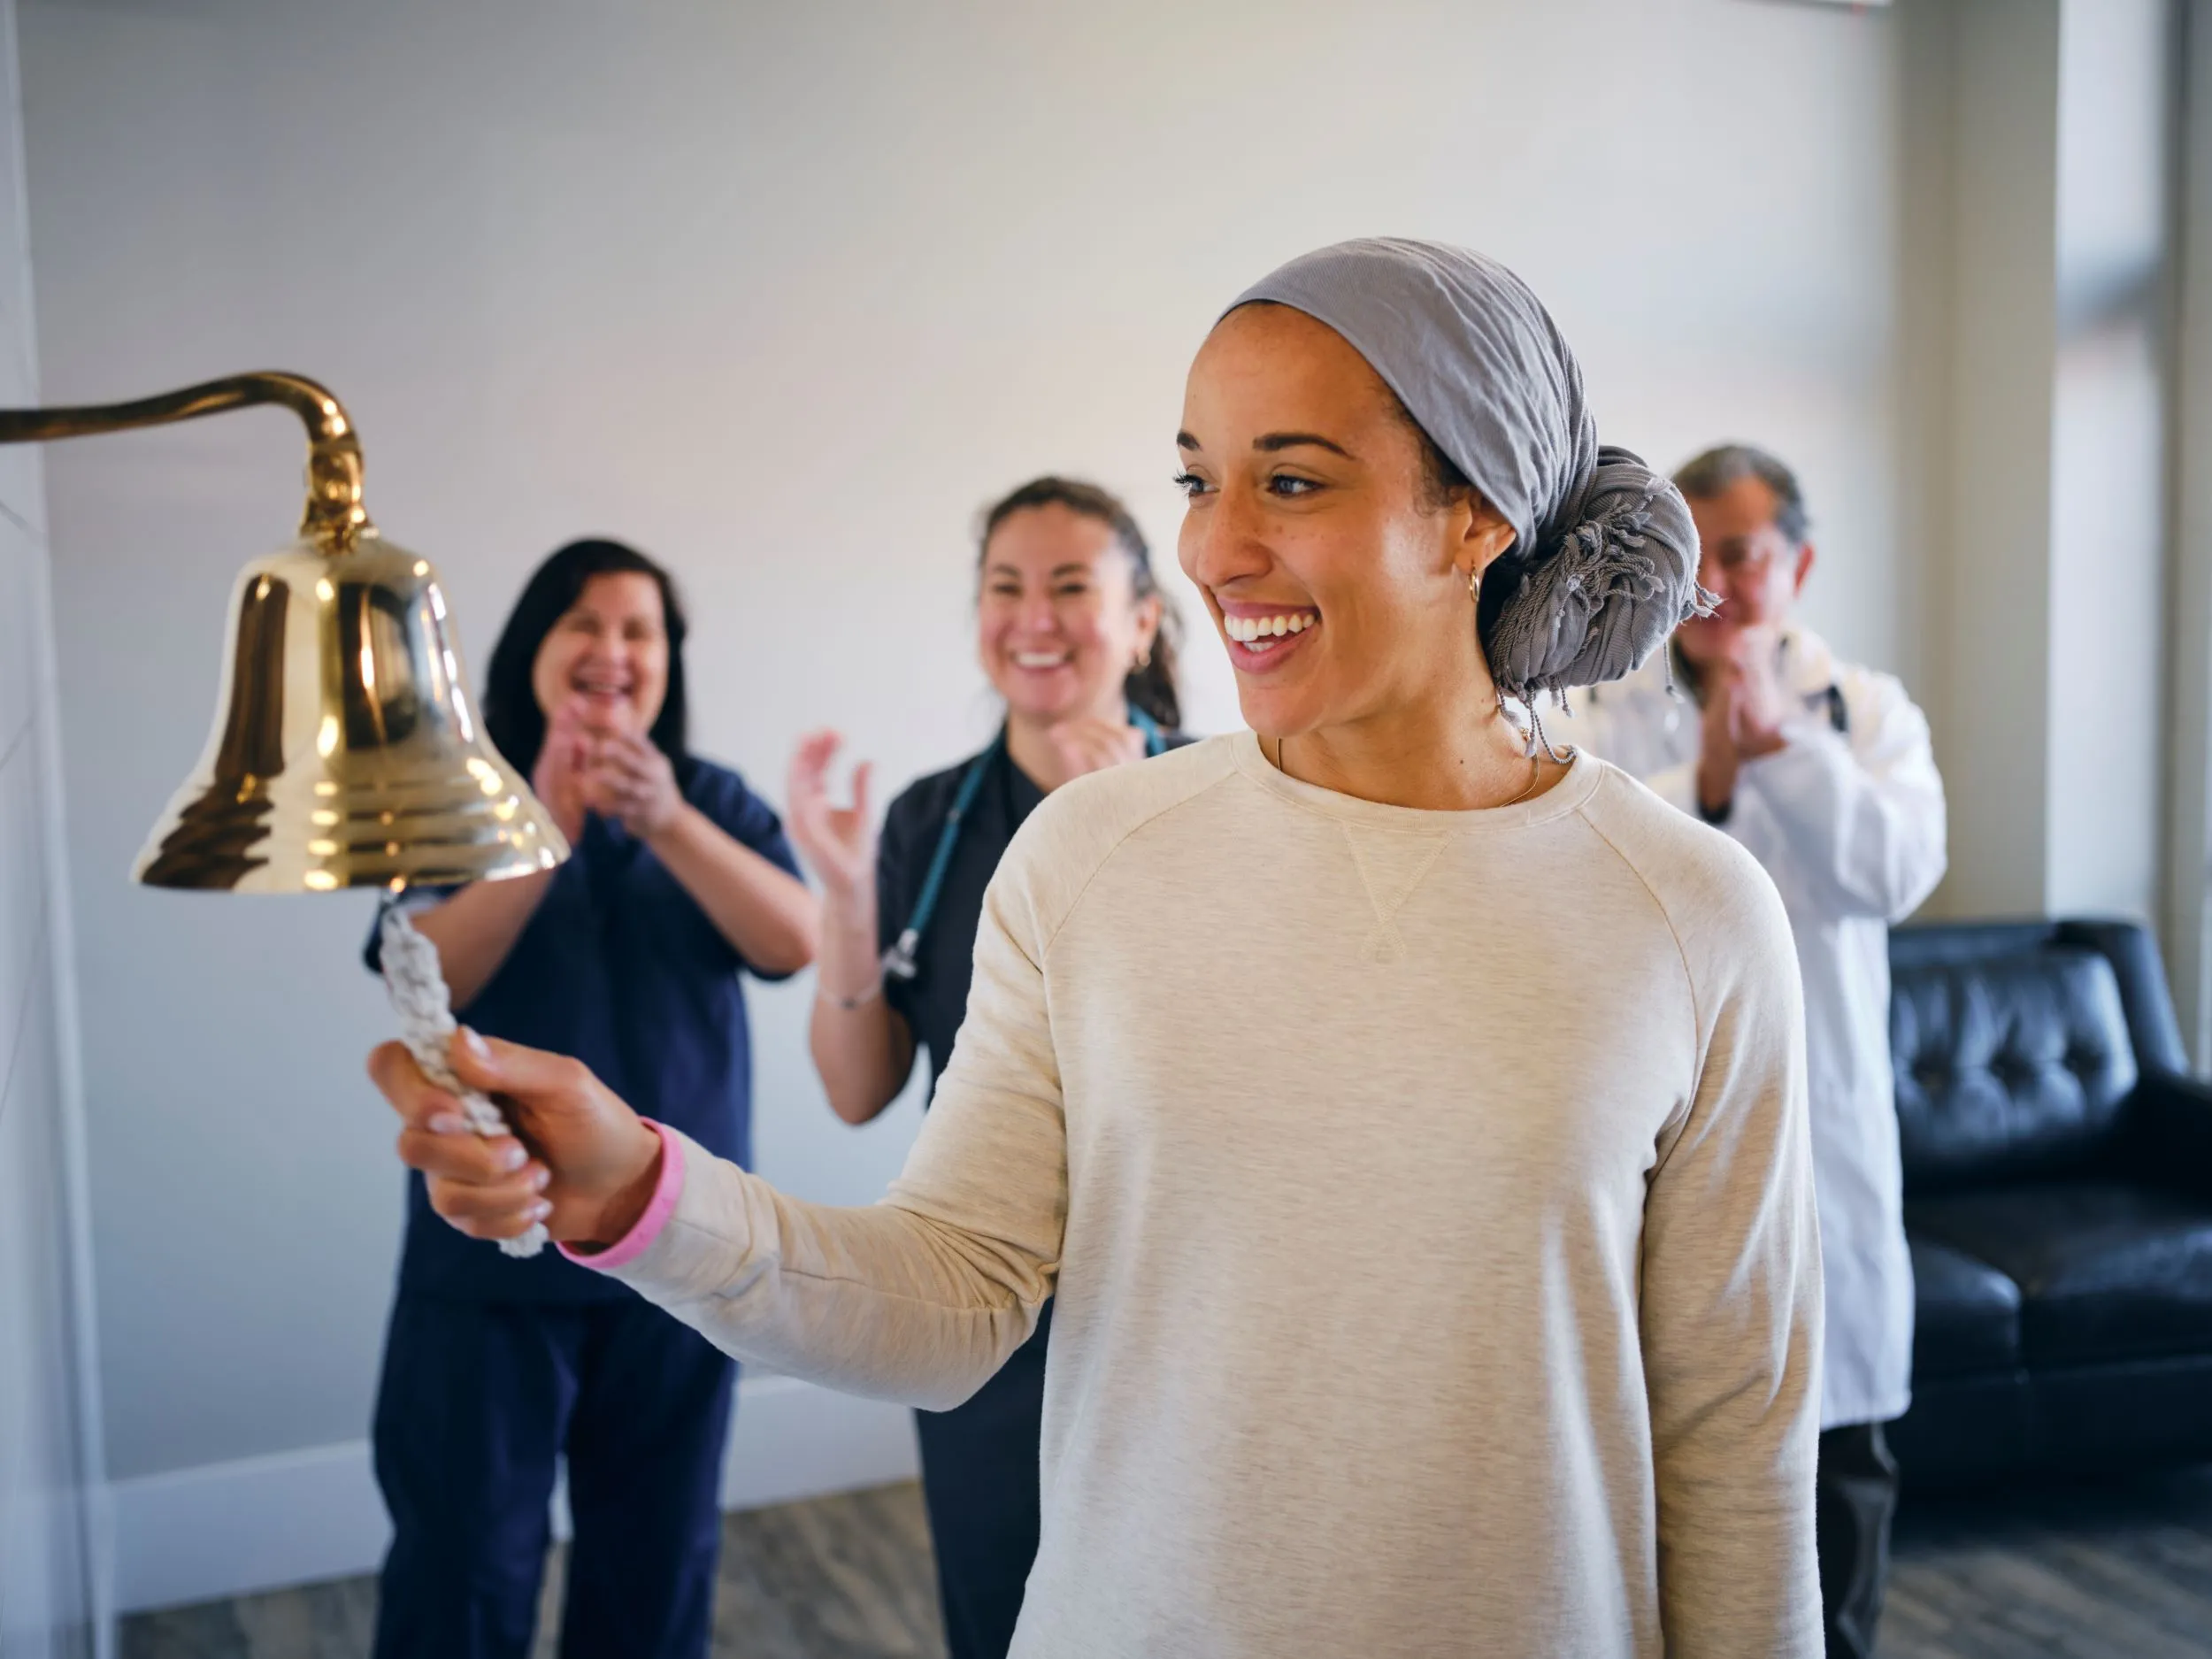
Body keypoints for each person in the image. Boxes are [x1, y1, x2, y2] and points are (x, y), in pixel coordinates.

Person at [369, 241, 1824, 1655]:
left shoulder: (1688, 917)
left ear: (1476, 518)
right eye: (1199, 479)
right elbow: (950, 1293)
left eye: (1292, 481)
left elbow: (1735, 1452)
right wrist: (637, 1185)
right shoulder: (1090, 860)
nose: (1211, 546)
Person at [362, 538, 819, 1659]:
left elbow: (794, 940)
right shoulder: (458, 798)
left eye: (639, 630)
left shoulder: (708, 800)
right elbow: (418, 974)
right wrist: (547, 826)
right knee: (463, 1564)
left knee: (655, 1562)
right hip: (488, 1258)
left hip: (676, 1256)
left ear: (667, 663)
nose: (613, 650)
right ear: (535, 649)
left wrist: (662, 817)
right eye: (586, 624)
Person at [783, 476, 1187, 1659]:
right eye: (1007, 586)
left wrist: (1112, 829)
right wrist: (847, 895)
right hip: (987, 1310)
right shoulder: (927, 818)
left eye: (1072, 585)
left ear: (1144, 620)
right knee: (1000, 1611)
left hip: (1177, 1297)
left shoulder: (1221, 799)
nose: (1035, 616)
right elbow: (858, 1088)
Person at [1576, 444, 1947, 1659]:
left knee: (1835, 1494)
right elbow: (1586, 888)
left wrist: (1787, 746)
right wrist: (1713, 776)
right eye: (1699, 552)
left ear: (1800, 560)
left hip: (1823, 1151)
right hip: (1652, 1141)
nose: (1720, 582)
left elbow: (1893, 873)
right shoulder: (1600, 710)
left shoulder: (1869, 711)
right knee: (1660, 1503)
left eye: (1743, 551)